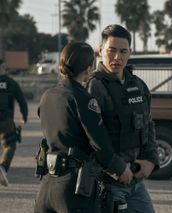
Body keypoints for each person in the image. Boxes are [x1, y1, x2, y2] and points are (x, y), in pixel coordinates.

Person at [34, 42, 131, 213]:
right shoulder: (83, 99)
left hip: (47, 186)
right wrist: (121, 169)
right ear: (88, 69)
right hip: (73, 189)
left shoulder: (47, 96)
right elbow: (99, 143)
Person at [86, 24, 159, 213]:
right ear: (101, 50)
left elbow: (148, 124)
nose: (117, 57)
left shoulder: (138, 85)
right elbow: (93, 137)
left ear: (130, 52)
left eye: (123, 51)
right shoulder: (95, 87)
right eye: (112, 50)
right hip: (107, 182)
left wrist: (151, 160)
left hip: (136, 181)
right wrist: (117, 168)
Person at [0, 58, 28, 187]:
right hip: (5, 120)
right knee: (10, 145)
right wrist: (24, 116)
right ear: (3, 67)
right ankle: (3, 167)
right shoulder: (11, 83)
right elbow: (22, 101)